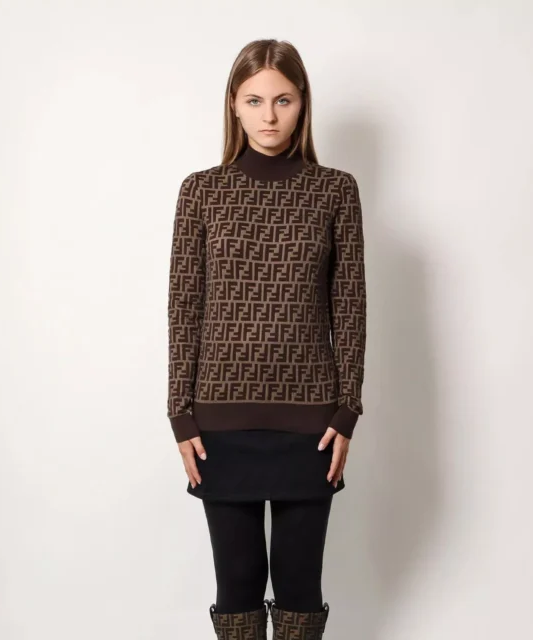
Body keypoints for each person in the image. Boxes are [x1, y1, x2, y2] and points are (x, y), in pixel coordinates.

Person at [167, 38, 367, 639]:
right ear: (233, 104)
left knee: (302, 586)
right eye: (254, 100)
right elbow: (184, 307)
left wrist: (348, 409)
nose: (270, 116)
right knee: (236, 586)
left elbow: (349, 305)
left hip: (312, 424)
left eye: (283, 100)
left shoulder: (335, 191)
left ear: (303, 103)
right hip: (218, 422)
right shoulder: (201, 191)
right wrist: (179, 413)